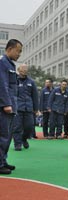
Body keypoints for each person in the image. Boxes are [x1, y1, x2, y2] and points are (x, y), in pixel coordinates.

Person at [0, 39, 23, 174]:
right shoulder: (2, 63)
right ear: (9, 49)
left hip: (12, 106)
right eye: (18, 51)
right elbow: (3, 85)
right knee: (3, 135)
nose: (19, 54)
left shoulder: (10, 65)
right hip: (5, 106)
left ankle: (3, 160)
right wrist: (7, 103)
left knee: (8, 136)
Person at [12, 64, 39, 151]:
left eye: (26, 69)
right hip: (17, 108)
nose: (25, 70)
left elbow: (35, 96)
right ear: (19, 70)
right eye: (23, 69)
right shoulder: (14, 81)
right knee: (17, 127)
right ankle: (17, 144)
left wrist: (36, 109)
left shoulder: (31, 82)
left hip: (29, 108)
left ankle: (24, 138)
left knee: (30, 127)